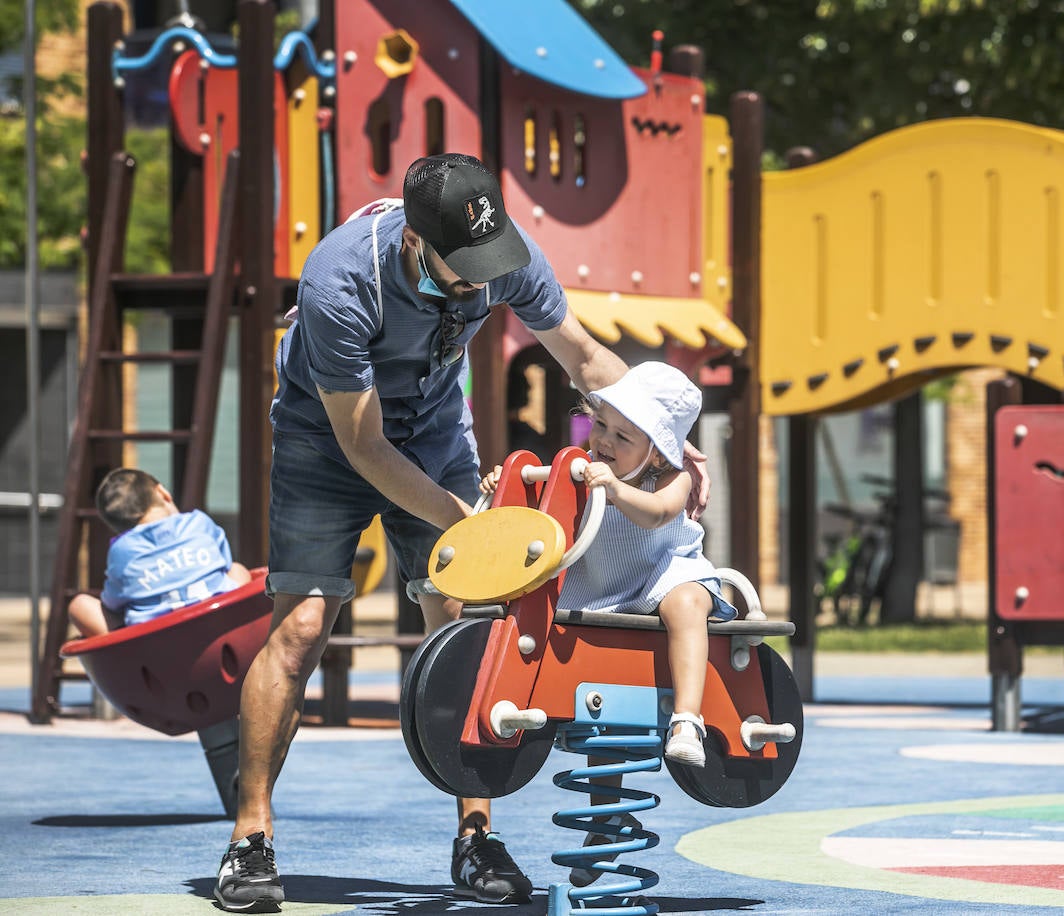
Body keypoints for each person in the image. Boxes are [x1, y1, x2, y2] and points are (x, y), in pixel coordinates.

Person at [215, 152, 702, 913]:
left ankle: (475, 839)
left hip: (437, 430)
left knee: (461, 628)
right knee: (302, 629)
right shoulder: (338, 283)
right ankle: (250, 841)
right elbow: (364, 445)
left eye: (489, 261)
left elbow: (582, 356)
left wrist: (659, 432)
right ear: (416, 240)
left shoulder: (501, 254)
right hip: (329, 439)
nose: (482, 279)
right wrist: (465, 519)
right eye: (463, 266)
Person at [479, 361, 731, 886]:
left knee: (687, 604)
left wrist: (614, 489)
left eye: (624, 435)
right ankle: (607, 817)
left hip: (664, 575)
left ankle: (687, 718)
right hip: (602, 592)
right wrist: (509, 485)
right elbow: (539, 508)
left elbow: (658, 514)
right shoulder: (582, 467)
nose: (605, 442)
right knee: (604, 710)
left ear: (659, 450)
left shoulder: (673, 478)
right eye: (601, 427)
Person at [67, 467, 252, 638]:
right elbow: (225, 564)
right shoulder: (199, 522)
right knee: (238, 569)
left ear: (118, 529)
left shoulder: (120, 550)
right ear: (163, 492)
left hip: (156, 643)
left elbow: (112, 603)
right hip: (220, 625)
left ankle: (126, 652)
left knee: (79, 605)